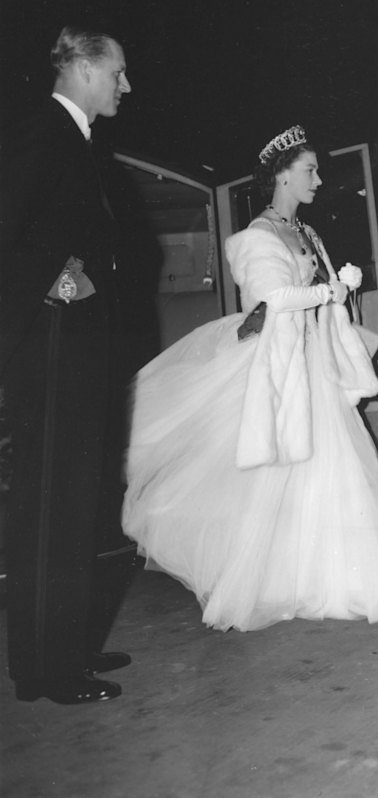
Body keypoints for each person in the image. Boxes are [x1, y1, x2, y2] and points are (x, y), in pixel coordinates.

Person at [122, 125, 378, 631]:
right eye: (309, 170)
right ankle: (272, 582)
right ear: (282, 176)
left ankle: (328, 580)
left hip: (310, 357)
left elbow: (313, 290)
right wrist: (331, 290)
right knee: (277, 469)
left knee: (326, 464)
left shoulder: (306, 232)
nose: (318, 179)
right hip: (280, 362)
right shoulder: (256, 236)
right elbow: (273, 299)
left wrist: (338, 291)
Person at [0, 25, 132, 703]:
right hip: (51, 345)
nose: (125, 86)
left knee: (75, 499)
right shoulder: (41, 132)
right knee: (51, 504)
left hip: (74, 345)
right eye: (117, 73)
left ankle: (67, 645)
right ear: (82, 69)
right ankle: (46, 669)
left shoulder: (76, 139)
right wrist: (60, 294)